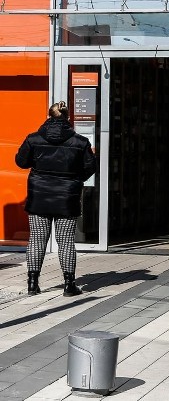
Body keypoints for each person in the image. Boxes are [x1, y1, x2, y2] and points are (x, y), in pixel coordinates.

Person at [15, 101, 97, 296]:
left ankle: (32, 284)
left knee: (37, 239)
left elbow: (21, 162)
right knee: (66, 241)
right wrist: (75, 179)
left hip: (39, 196)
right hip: (67, 197)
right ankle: (69, 285)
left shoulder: (33, 139)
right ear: (68, 118)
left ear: (48, 116)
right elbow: (90, 167)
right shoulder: (80, 142)